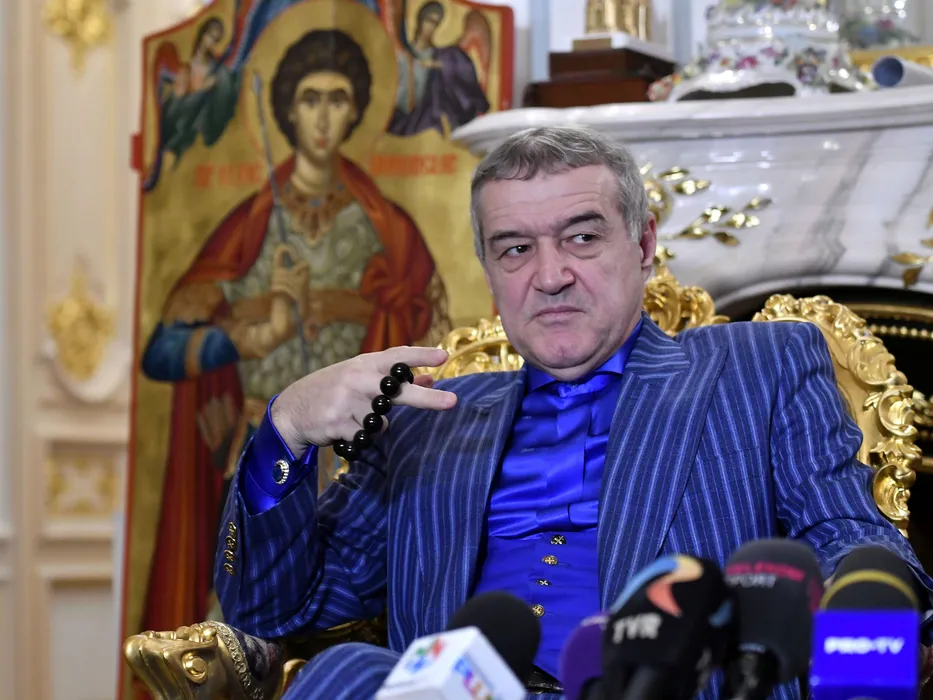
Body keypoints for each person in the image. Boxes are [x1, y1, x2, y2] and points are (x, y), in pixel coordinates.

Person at [213, 125, 932, 699]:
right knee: (346, 673)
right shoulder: (427, 419)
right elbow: (275, 612)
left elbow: (846, 536)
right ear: (489, 273)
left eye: (582, 237)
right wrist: (286, 430)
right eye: (515, 249)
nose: (550, 275)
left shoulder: (759, 368)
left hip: (661, 684)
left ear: (643, 245)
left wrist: (871, 660)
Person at [140, 28, 447, 635]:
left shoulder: (388, 226)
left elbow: (432, 331)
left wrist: (352, 309)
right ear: (286, 110)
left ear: (357, 110)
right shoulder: (251, 223)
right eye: (310, 98)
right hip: (260, 448)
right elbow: (162, 348)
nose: (324, 116)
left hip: (368, 462)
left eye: (338, 98)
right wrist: (248, 336)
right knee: (240, 632)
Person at [387, 0, 490, 137]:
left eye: (435, 23)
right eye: (428, 20)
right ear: (420, 19)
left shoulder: (441, 55)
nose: (430, 27)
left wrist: (438, 66)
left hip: (430, 117)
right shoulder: (402, 55)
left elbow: (459, 70)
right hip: (405, 118)